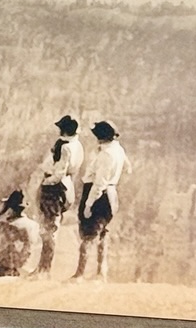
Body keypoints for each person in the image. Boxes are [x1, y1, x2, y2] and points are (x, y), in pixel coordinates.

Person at [73, 121, 130, 280]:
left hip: (99, 195)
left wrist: (88, 205)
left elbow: (99, 183)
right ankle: (101, 271)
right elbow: (128, 166)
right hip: (111, 193)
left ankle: (80, 273)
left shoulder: (106, 155)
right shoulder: (117, 150)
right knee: (103, 233)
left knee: (88, 235)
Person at [35, 114, 84, 274]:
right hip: (68, 186)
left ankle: (44, 268)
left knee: (49, 229)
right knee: (52, 228)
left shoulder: (65, 147)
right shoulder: (78, 145)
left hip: (56, 187)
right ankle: (44, 267)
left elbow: (59, 172)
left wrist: (45, 183)